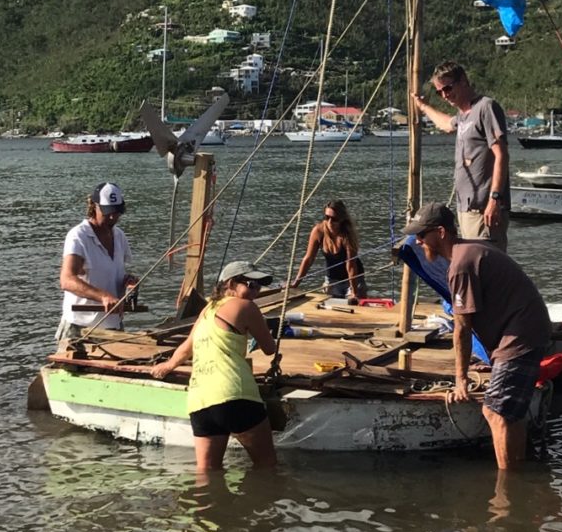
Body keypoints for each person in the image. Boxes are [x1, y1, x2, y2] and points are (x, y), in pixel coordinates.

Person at [401, 201, 550, 469]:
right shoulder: (467, 251)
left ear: (442, 232)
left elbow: (462, 327)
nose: (419, 241)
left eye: (423, 235)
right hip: (527, 329)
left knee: (494, 411)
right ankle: (520, 472)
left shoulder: (461, 264)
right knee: (511, 415)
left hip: (520, 336)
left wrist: (461, 380)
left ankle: (508, 489)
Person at [150, 260, 278, 471]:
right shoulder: (246, 306)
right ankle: (257, 503)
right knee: (267, 466)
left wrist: (166, 366)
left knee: (207, 474)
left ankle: (210, 504)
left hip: (200, 402)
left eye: (259, 286)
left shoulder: (207, 309)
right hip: (236, 395)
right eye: (250, 284)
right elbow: (269, 348)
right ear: (230, 283)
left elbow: (185, 348)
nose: (256, 291)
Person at [412, 61, 510, 251]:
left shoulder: (485, 107)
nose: (445, 95)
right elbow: (447, 124)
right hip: (466, 209)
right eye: (439, 92)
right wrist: (423, 106)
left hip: (484, 210)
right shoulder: (463, 115)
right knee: (471, 266)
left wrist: (494, 200)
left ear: (463, 81)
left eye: (447, 88)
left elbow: (502, 155)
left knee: (485, 267)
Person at [57, 182, 136, 340]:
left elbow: (114, 274)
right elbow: (67, 280)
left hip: (113, 326)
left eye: (117, 212)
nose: (113, 217)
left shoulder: (119, 236)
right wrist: (103, 297)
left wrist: (129, 283)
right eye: (108, 212)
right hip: (80, 327)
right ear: (94, 207)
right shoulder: (78, 236)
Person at [291, 199, 368, 299]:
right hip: (332, 280)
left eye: (334, 219)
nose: (330, 222)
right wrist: (295, 284)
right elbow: (308, 259)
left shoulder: (347, 235)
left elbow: (351, 265)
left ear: (341, 219)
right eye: (327, 217)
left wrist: (354, 292)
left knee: (354, 305)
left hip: (354, 280)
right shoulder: (318, 231)